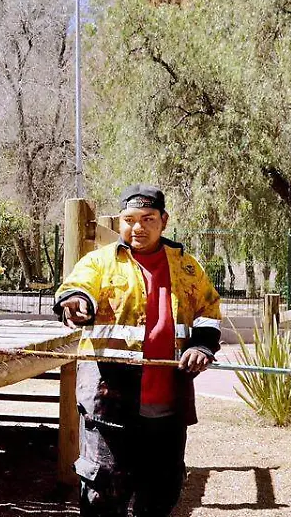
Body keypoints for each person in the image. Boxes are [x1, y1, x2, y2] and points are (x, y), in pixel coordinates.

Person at [55, 184, 222, 517]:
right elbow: (76, 288)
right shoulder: (101, 262)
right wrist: (75, 304)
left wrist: (202, 345)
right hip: (109, 404)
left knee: (161, 491)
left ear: (164, 220)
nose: (138, 227)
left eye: (148, 218)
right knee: (104, 492)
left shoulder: (187, 267)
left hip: (167, 406)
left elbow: (209, 310)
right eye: (129, 219)